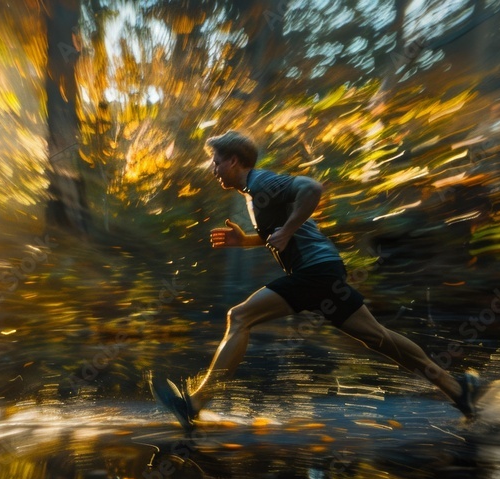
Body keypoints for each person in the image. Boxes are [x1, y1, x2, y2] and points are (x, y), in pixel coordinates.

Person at [150, 131, 480, 429]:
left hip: (314, 272)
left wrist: (288, 230)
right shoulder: (255, 192)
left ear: (233, 161)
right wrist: (247, 241)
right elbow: (279, 233)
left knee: (239, 316)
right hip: (323, 271)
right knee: (377, 337)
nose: (213, 168)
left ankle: (196, 403)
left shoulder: (263, 182)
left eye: (216, 162)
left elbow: (312, 188)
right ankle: (457, 389)